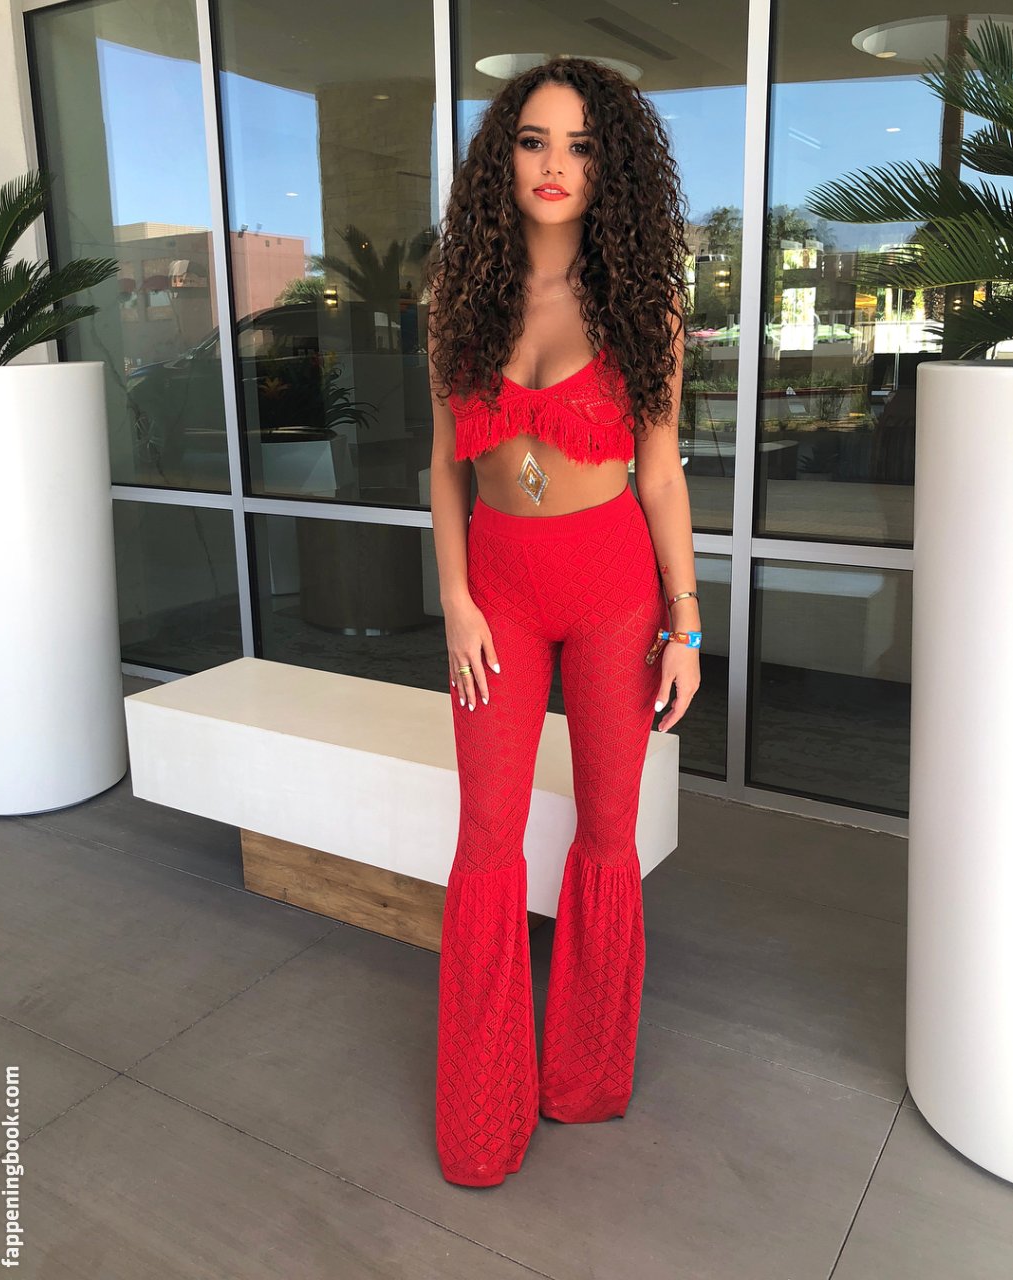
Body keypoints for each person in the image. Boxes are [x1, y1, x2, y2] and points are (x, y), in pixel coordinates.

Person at [426, 55, 701, 1188]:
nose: (555, 165)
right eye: (534, 140)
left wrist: (685, 625)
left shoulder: (643, 303)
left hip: (612, 591)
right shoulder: (458, 297)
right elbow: (444, 469)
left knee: (604, 832)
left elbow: (662, 475)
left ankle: (583, 1075)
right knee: (487, 841)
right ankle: (482, 1114)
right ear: (503, 158)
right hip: (495, 587)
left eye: (581, 146)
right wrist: (454, 600)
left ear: (610, 169)